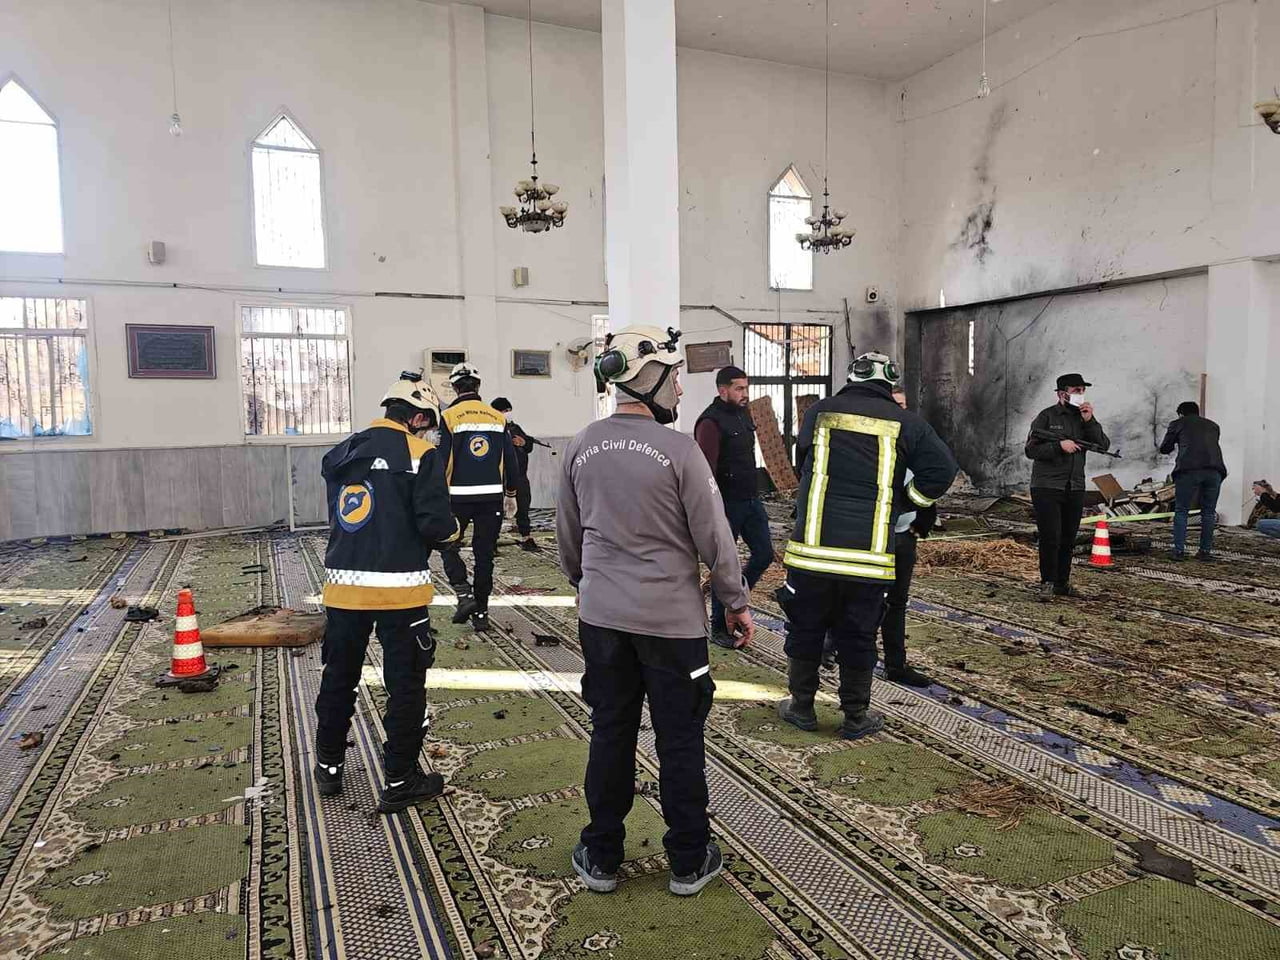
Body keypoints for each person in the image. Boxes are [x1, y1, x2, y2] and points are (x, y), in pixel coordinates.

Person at [558, 324, 753, 898]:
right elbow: (715, 538)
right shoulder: (681, 451)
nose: (681, 393)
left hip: (602, 621)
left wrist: (591, 586)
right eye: (674, 379)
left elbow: (569, 542)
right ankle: (689, 860)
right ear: (650, 379)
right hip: (671, 627)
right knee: (680, 738)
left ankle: (600, 856)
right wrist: (735, 603)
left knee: (610, 732)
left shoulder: (579, 444)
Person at [776, 353, 957, 740]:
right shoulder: (908, 423)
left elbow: (803, 459)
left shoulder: (819, 412)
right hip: (869, 556)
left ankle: (802, 708)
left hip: (812, 550)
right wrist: (907, 502)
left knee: (805, 625)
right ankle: (856, 716)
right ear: (890, 382)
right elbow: (942, 470)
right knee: (858, 633)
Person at [314, 373, 460, 813]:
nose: (429, 430)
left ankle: (328, 766)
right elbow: (435, 524)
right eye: (428, 422)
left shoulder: (343, 452)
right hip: (401, 594)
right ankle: (400, 778)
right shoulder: (420, 454)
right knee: (405, 684)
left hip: (343, 590)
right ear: (416, 417)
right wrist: (453, 534)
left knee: (339, 676)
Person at [694, 366, 774, 648]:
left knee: (764, 554)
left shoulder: (743, 414)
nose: (744, 394)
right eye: (739, 389)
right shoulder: (710, 423)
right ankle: (718, 628)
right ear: (722, 390)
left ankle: (734, 604)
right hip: (726, 505)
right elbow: (705, 472)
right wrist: (713, 510)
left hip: (751, 499)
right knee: (724, 565)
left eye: (746, 388)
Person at [438, 363, 520, 632]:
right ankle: (481, 614)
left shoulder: (449, 416)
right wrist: (511, 494)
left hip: (456, 500)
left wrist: (436, 494)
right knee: (484, 556)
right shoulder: (497, 418)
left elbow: (443, 459)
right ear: (478, 386)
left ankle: (465, 593)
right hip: (491, 499)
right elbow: (510, 459)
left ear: (453, 387)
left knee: (447, 546)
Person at [1024, 373, 1110, 602]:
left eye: (1082, 390)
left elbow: (1103, 445)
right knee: (1050, 536)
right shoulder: (1046, 417)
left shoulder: (1084, 418)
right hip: (1047, 486)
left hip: (1074, 486)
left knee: (1068, 538)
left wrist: (1089, 420)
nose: (1080, 395)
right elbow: (1031, 450)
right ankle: (1047, 583)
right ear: (1063, 394)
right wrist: (1058, 446)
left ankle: (1062, 583)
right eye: (1076, 391)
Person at [879, 384, 938, 687]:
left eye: (903, 405)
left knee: (897, 602)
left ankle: (895, 665)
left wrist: (924, 518)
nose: (899, 411)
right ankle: (831, 647)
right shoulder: (872, 441)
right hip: (876, 536)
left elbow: (932, 476)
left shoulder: (915, 437)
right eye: (893, 404)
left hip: (905, 535)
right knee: (864, 599)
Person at [1158, 401, 1227, 560]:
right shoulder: (1213, 426)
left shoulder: (1178, 423)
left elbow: (1165, 448)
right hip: (1214, 471)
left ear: (1181, 413)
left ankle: (1178, 551)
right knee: (1208, 513)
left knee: (1182, 510)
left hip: (1189, 470)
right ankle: (1205, 552)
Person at [491, 396, 542, 553]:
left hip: (520, 476)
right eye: (504, 411)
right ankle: (491, 542)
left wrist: (524, 442)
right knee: (496, 511)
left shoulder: (515, 427)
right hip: (501, 478)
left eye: (509, 410)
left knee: (523, 507)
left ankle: (526, 538)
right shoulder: (492, 429)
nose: (508, 413)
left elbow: (528, 445)